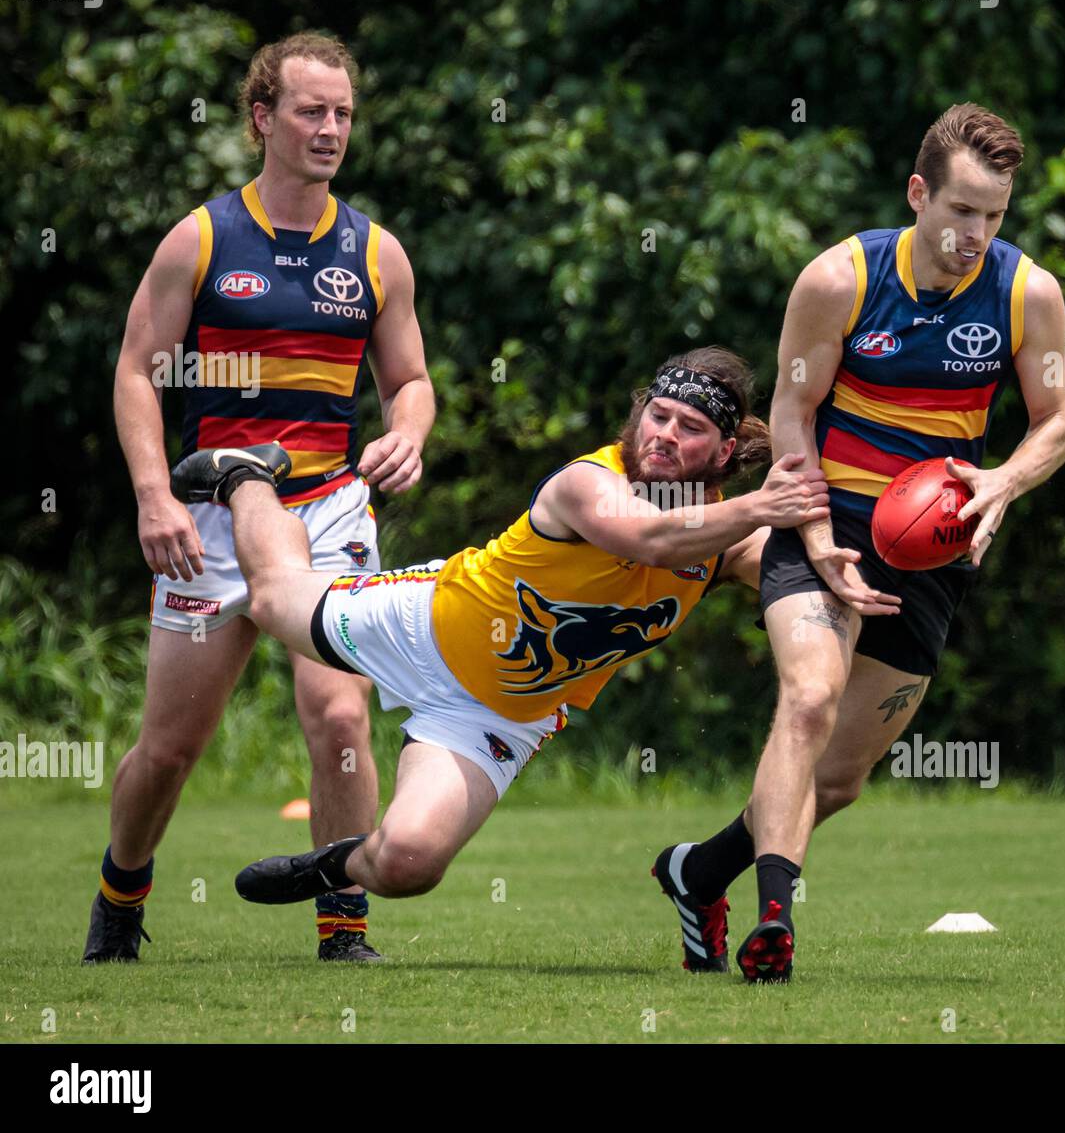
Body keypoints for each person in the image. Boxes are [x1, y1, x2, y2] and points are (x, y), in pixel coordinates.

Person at [167, 349, 827, 922]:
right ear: (637, 415)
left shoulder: (725, 535)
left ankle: (330, 865)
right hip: (423, 626)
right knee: (274, 595)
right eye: (658, 415)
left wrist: (858, 568)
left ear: (723, 452)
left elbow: (802, 569)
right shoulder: (587, 481)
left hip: (501, 715)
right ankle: (247, 475)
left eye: (691, 429)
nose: (665, 435)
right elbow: (648, 536)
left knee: (407, 864)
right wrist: (761, 505)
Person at [654, 103, 1065, 982]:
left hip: (931, 543)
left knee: (837, 779)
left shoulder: (1026, 293)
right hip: (828, 515)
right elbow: (792, 412)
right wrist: (811, 531)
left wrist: (1001, 480)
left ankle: (699, 871)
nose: (976, 234)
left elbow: (1057, 423)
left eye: (994, 216)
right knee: (808, 699)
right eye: (961, 210)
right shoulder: (838, 279)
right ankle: (775, 921)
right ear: (919, 193)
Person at [86, 32, 434, 964]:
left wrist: (408, 429)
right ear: (261, 119)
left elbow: (411, 379)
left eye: (344, 114)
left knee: (341, 717)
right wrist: (154, 495)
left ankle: (344, 927)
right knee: (169, 748)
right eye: (311, 111)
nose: (330, 129)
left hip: (325, 511)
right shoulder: (201, 238)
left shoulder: (375, 251)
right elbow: (134, 372)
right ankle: (121, 891)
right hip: (209, 515)